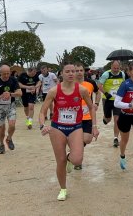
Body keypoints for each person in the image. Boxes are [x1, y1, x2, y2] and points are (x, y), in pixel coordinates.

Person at [39, 62, 97, 201]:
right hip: (57, 128)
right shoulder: (54, 91)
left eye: (73, 71)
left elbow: (91, 107)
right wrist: (42, 125)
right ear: (62, 74)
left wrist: (94, 126)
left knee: (77, 159)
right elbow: (42, 111)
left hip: (75, 127)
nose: (71, 73)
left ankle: (70, 159)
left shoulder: (82, 90)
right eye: (68, 71)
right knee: (60, 161)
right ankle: (63, 189)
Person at [0, 65, 22, 154]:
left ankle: (9, 139)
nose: (6, 76)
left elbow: (19, 93)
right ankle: (1, 144)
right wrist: (0, 96)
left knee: (12, 125)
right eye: (4, 74)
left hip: (11, 106)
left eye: (8, 73)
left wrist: (10, 94)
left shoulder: (13, 80)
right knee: (2, 128)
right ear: (0, 73)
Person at [74, 63, 101, 170]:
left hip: (87, 116)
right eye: (77, 71)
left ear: (84, 72)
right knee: (77, 139)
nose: (79, 73)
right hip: (74, 117)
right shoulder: (69, 84)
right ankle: (77, 161)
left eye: (81, 70)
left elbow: (98, 93)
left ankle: (74, 153)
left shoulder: (90, 83)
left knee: (87, 139)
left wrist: (97, 104)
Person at [98, 60, 125, 147]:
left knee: (117, 119)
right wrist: (106, 93)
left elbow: (124, 85)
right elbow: (99, 85)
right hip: (107, 99)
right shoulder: (106, 74)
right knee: (108, 119)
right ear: (111, 67)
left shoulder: (122, 74)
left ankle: (115, 138)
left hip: (117, 100)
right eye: (114, 68)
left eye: (118, 68)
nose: (116, 70)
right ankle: (105, 118)